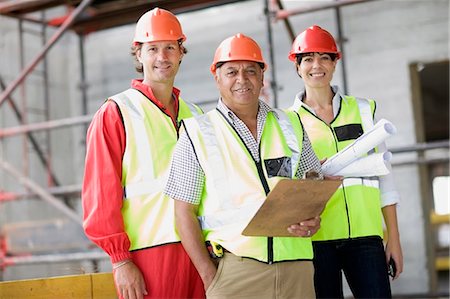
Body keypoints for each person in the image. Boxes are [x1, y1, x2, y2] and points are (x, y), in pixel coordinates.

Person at [164, 33, 323, 299]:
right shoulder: (197, 132)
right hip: (236, 272)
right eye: (231, 72)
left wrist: (313, 218)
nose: (242, 80)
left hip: (297, 265)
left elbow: (313, 188)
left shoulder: (292, 124)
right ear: (217, 77)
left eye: (251, 71)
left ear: (263, 76)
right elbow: (183, 213)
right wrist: (209, 277)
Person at [82, 7, 205, 299]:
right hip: (148, 254)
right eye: (152, 49)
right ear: (138, 54)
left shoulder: (197, 116)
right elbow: (100, 195)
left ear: (181, 52)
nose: (162, 57)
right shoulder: (116, 113)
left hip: (200, 252)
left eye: (169, 48)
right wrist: (120, 260)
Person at [288, 25, 404, 298]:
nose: (317, 65)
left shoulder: (362, 109)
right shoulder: (287, 122)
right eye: (308, 59)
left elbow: (384, 176)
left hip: (365, 236)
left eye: (325, 57)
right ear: (297, 66)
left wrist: (394, 239)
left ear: (335, 62)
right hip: (317, 239)